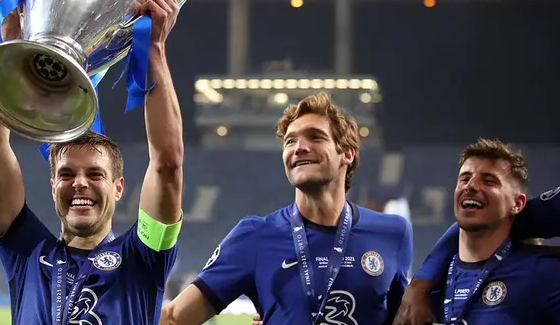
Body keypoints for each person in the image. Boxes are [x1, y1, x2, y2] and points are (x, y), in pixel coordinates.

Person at [0, 0, 185, 324]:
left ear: (119, 187)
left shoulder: (144, 255)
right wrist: (8, 37)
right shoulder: (26, 252)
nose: (80, 183)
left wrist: (154, 49)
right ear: (52, 183)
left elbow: (167, 164)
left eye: (95, 173)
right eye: (67, 173)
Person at [161, 93, 413, 325]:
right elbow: (174, 318)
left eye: (315, 136)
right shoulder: (254, 235)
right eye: (290, 141)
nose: (299, 147)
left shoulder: (392, 232)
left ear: (346, 153)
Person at [395, 139, 560, 325]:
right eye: (465, 179)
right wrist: (419, 285)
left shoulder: (549, 277)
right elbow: (490, 220)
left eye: (488, 181)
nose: (470, 186)